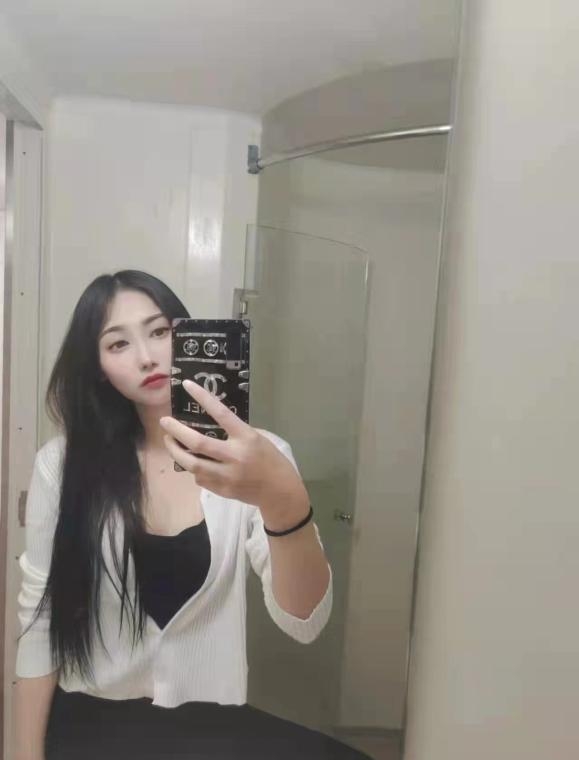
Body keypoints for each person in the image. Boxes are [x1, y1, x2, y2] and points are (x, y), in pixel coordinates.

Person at [13, 271, 369, 760]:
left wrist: (283, 500)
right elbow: (40, 619)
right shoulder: (62, 464)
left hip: (210, 725)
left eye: (160, 331)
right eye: (118, 344)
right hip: (92, 719)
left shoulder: (257, 458)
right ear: (99, 369)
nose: (146, 356)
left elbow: (304, 621)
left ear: (191, 336)